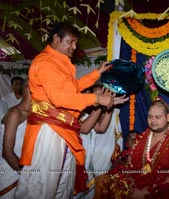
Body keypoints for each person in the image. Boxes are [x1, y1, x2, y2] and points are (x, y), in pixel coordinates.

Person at [15, 21, 129, 199]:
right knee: (41, 188)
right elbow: (59, 98)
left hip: (63, 130)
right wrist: (98, 98)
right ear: (56, 39)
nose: (74, 47)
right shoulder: (46, 62)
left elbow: (73, 89)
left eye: (75, 42)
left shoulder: (60, 63)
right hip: (49, 130)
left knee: (61, 188)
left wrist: (97, 73)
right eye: (70, 41)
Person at [94, 98, 169, 199]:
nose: (153, 120)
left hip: (165, 190)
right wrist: (130, 181)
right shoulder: (145, 136)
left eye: (158, 117)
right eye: (150, 116)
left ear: (168, 117)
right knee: (105, 183)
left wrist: (145, 192)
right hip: (140, 183)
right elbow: (131, 165)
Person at [74, 84, 124, 199]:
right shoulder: (75, 115)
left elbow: (101, 128)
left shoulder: (87, 115)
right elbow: (85, 128)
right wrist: (103, 103)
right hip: (75, 166)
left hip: (87, 167)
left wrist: (109, 107)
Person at [0, 79, 30, 199]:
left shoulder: (34, 113)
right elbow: (7, 153)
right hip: (11, 169)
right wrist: (26, 176)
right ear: (28, 88)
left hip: (24, 166)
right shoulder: (15, 113)